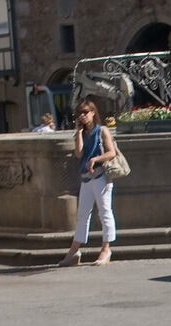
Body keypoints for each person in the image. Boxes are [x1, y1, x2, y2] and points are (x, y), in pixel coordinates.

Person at [58, 100, 117, 267]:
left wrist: (96, 159)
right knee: (82, 215)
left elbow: (111, 152)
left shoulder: (102, 130)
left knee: (105, 212)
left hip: (101, 177)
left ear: (93, 112)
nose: (82, 116)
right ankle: (74, 251)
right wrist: (78, 134)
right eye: (79, 113)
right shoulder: (82, 133)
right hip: (86, 178)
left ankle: (106, 249)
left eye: (85, 112)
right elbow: (78, 154)